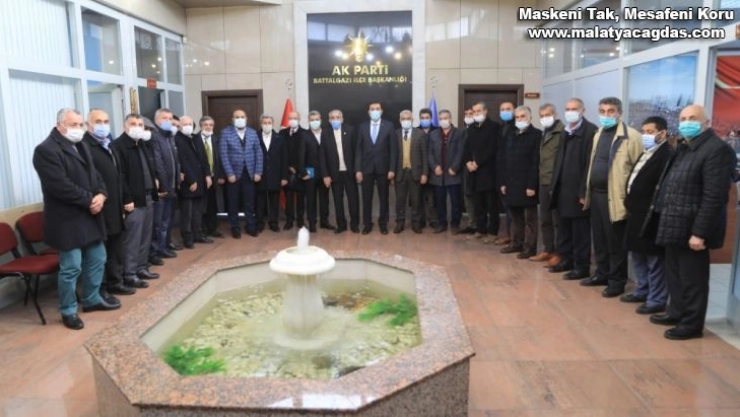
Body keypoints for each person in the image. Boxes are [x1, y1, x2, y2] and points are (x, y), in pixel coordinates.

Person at [652, 104, 736, 340]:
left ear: (706, 123)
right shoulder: (684, 147)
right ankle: (676, 312)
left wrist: (699, 232)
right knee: (675, 275)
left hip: (693, 228)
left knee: (693, 280)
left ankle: (691, 324)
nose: (686, 122)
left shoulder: (716, 150)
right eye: (683, 118)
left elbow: (714, 196)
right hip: (674, 223)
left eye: (692, 118)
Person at [32, 108, 118, 330]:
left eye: (80, 125)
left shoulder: (80, 145)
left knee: (98, 258)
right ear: (59, 125)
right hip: (67, 219)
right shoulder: (45, 150)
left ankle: (91, 299)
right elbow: (60, 186)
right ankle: (68, 310)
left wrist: (102, 194)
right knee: (71, 267)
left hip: (90, 216)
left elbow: (96, 175)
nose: (78, 129)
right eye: (73, 125)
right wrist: (90, 200)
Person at [582, 97, 643, 298]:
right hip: (596, 195)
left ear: (619, 113)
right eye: (602, 111)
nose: (606, 115)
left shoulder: (631, 136)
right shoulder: (598, 134)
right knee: (599, 239)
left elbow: (639, 169)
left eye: (611, 111)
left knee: (615, 242)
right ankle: (602, 273)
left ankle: (617, 281)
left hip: (616, 198)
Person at [620, 116, 673, 315]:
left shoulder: (667, 155)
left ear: (662, 133)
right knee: (637, 254)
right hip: (636, 213)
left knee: (654, 259)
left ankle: (656, 299)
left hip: (652, 215)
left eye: (650, 132)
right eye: (643, 131)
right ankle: (642, 290)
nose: (645, 135)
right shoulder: (646, 152)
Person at [83, 109, 135, 300]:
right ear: (88, 124)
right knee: (100, 253)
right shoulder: (84, 146)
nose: (103, 125)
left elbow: (119, 175)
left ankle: (116, 282)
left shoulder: (109, 144)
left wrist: (125, 198)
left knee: (116, 248)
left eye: (106, 121)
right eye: (98, 121)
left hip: (115, 206)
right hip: (98, 207)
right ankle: (100, 289)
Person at [549, 98, 598, 280]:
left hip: (578, 191)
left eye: (574, 109)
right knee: (564, 230)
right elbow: (558, 160)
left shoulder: (590, 131)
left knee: (580, 233)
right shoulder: (566, 131)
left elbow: (589, 164)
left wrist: (584, 191)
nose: (570, 112)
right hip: (563, 189)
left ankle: (581, 266)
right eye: (567, 109)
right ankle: (566, 260)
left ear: (583, 110)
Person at [113, 114, 159, 289]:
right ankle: (130, 274)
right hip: (133, 200)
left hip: (147, 196)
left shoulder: (142, 144)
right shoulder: (118, 146)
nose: (137, 127)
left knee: (145, 236)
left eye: (140, 124)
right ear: (125, 126)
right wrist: (127, 198)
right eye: (133, 124)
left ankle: (141, 267)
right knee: (132, 239)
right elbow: (120, 176)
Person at [498, 106, 540, 258]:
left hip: (527, 184)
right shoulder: (511, 134)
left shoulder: (537, 135)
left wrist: (531, 185)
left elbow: (535, 162)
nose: (520, 119)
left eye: (523, 116)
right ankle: (516, 243)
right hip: (511, 183)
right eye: (517, 117)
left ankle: (530, 247)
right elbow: (504, 159)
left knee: (530, 219)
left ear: (530, 118)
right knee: (515, 217)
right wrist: (503, 182)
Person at [219, 109, 263, 238]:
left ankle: (250, 226)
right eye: (237, 117)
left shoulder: (252, 133)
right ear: (232, 119)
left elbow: (258, 153)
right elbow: (223, 155)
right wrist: (229, 173)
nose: (240, 119)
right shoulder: (225, 133)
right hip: (233, 175)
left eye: (242, 116)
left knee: (249, 203)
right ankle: (235, 227)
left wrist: (258, 172)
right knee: (233, 203)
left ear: (246, 118)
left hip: (249, 174)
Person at [356, 102, 397, 235]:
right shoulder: (362, 127)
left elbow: (393, 150)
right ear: (368, 112)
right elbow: (359, 150)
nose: (375, 111)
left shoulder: (389, 126)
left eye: (377, 109)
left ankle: (383, 224)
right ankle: (367, 224)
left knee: (384, 198)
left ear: (381, 111)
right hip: (366, 168)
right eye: (372, 109)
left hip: (383, 169)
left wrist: (392, 169)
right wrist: (358, 170)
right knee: (366, 198)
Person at [530, 103, 563, 264]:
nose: (544, 118)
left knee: (557, 221)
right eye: (542, 116)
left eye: (547, 115)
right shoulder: (545, 132)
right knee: (545, 219)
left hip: (555, 182)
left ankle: (559, 252)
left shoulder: (562, 133)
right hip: (543, 181)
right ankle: (548, 249)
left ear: (555, 115)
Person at [464, 102, 501, 242]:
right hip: (474, 173)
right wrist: (468, 162)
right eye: (474, 111)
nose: (476, 113)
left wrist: (477, 162)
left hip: (488, 172)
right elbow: (466, 148)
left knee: (491, 205)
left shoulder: (494, 127)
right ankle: (480, 229)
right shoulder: (471, 128)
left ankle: (492, 232)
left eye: (479, 111)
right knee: (478, 204)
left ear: (485, 111)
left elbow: (492, 148)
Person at [175, 115, 212, 248]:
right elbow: (182, 161)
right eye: (185, 124)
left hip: (201, 180)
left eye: (190, 124)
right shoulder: (178, 140)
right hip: (189, 182)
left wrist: (207, 175)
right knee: (187, 213)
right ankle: (187, 238)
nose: (188, 126)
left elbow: (204, 158)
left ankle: (198, 234)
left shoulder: (196, 138)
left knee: (198, 211)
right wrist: (191, 180)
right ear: (179, 126)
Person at [320, 109, 359, 234]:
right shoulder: (325, 133)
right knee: (337, 201)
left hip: (349, 172)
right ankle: (341, 225)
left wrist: (358, 170)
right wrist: (325, 175)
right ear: (329, 120)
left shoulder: (351, 130)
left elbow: (357, 151)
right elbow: (322, 156)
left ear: (342, 119)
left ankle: (354, 224)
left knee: (353, 200)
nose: (335, 120)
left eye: (337, 117)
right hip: (334, 173)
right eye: (332, 118)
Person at [428, 110, 465, 233]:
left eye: (445, 118)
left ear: (450, 119)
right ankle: (442, 223)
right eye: (441, 118)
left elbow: (460, 152)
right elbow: (430, 153)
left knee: (455, 201)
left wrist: (455, 167)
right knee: (439, 201)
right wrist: (434, 167)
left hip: (453, 173)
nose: (443, 120)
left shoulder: (459, 133)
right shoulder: (433, 134)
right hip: (438, 174)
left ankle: (455, 224)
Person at [150, 108, 179, 261]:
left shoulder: (169, 136)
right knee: (158, 222)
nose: (168, 121)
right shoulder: (154, 137)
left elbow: (175, 161)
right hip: (162, 188)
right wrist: (164, 186)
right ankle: (156, 251)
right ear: (156, 120)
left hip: (172, 186)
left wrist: (176, 182)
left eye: (170, 118)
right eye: (164, 118)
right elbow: (158, 164)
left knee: (166, 221)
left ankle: (164, 246)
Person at [394, 110, 429, 234]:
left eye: (408, 118)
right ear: (400, 121)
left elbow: (425, 155)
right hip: (400, 173)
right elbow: (392, 154)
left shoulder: (420, 134)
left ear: (412, 120)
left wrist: (425, 173)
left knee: (416, 201)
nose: (405, 121)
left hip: (416, 173)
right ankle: (400, 223)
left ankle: (416, 223)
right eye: (403, 119)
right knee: (400, 201)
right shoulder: (395, 134)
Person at [256, 115, 288, 233]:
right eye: (264, 122)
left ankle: (273, 223)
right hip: (260, 174)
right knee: (260, 201)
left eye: (269, 122)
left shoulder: (280, 138)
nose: (267, 125)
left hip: (275, 174)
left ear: (272, 124)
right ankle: (259, 223)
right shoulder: (255, 137)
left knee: (274, 200)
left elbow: (284, 159)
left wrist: (284, 176)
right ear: (261, 124)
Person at [304, 111, 334, 232]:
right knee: (311, 198)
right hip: (310, 171)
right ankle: (312, 223)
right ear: (308, 121)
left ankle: (324, 221)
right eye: (312, 120)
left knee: (324, 198)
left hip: (325, 171)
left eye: (316, 119)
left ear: (321, 120)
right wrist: (303, 172)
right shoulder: (305, 135)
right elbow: (301, 155)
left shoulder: (327, 133)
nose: (314, 122)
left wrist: (328, 172)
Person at [197, 116, 224, 238]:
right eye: (206, 125)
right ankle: (201, 230)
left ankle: (212, 228)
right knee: (202, 205)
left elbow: (220, 158)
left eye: (211, 125)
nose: (208, 127)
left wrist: (221, 175)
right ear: (201, 126)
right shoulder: (195, 140)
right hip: (201, 178)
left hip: (214, 177)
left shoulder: (216, 139)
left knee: (213, 204)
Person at [279, 112, 307, 230]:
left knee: (301, 199)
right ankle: (289, 221)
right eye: (290, 118)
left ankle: (300, 220)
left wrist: (298, 167)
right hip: (287, 171)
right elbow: (280, 153)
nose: (293, 120)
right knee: (289, 198)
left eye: (295, 118)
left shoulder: (305, 133)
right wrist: (288, 167)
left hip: (301, 171)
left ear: (299, 119)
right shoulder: (282, 133)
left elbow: (307, 153)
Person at [494, 101, 516, 245]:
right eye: (502, 109)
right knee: (506, 206)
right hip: (501, 173)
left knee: (513, 209)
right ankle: (508, 234)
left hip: (513, 174)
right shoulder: (502, 127)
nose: (505, 111)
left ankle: (515, 237)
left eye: (508, 109)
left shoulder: (516, 127)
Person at [418, 108, 438, 230]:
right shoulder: (415, 131)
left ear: (431, 118)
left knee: (432, 199)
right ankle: (421, 220)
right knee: (418, 198)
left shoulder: (437, 131)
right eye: (422, 118)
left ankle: (433, 220)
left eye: (427, 117)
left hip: (433, 171)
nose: (424, 120)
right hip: (418, 170)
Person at [461, 107, 477, 234]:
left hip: (477, 169)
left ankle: (479, 225)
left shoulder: (479, 130)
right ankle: (472, 223)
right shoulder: (462, 131)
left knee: (477, 198)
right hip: (465, 170)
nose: (468, 116)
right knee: (467, 197)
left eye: (470, 114)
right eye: (466, 114)